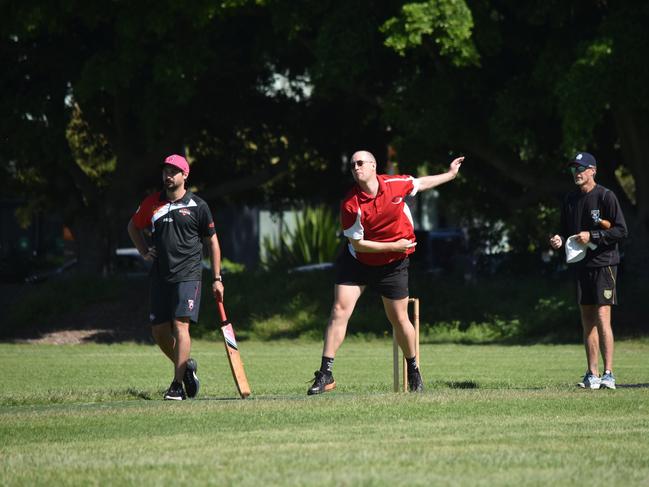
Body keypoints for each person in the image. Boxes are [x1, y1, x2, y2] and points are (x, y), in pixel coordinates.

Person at [307, 150, 464, 395]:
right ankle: (326, 373)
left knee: (399, 319)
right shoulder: (351, 203)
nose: (356, 167)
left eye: (360, 163)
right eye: (352, 165)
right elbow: (358, 244)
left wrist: (450, 175)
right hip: (358, 261)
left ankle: (413, 370)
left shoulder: (394, 184)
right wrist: (394, 244)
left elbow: (420, 183)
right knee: (339, 310)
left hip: (393, 264)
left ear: (373, 165)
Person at [127, 154, 224, 400]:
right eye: (165, 172)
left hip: (189, 275)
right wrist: (143, 251)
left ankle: (177, 384)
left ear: (185, 175)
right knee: (159, 332)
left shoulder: (198, 206)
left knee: (181, 326)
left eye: (173, 171)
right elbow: (133, 226)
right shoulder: (152, 203)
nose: (167, 176)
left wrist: (216, 278)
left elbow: (212, 242)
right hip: (160, 274)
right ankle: (186, 367)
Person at [549, 152, 627, 390]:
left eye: (581, 168)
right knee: (587, 319)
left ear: (593, 170)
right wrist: (558, 240)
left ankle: (609, 374)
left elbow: (621, 231)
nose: (577, 173)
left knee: (603, 317)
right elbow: (562, 229)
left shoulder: (606, 196)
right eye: (574, 169)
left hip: (604, 264)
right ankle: (591, 374)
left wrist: (592, 235)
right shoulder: (570, 199)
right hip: (581, 265)